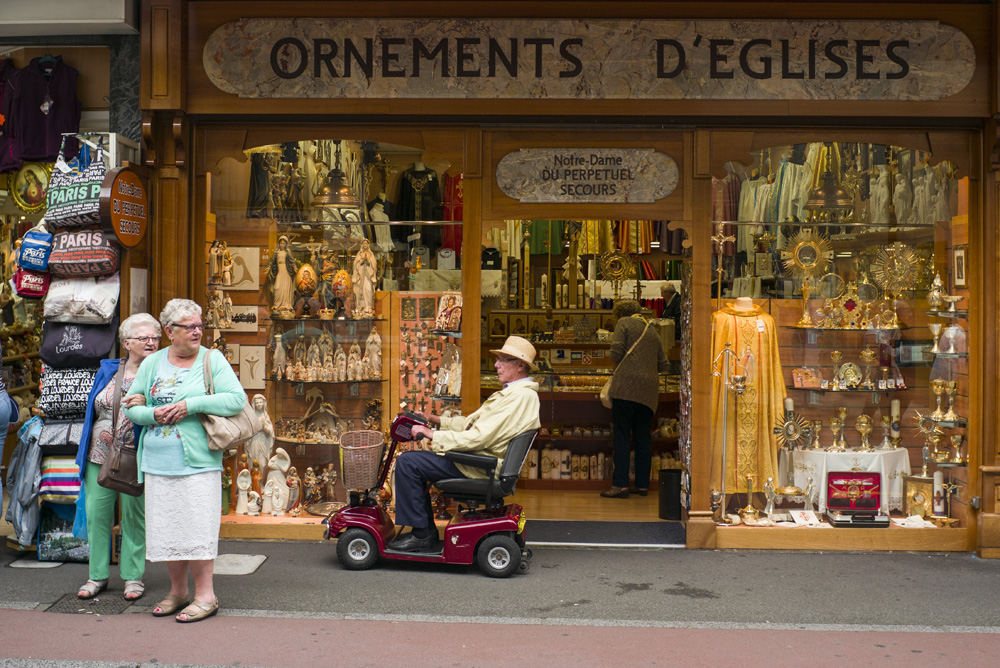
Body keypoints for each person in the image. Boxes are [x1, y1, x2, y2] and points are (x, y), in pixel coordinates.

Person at [123, 299, 247, 623]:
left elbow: (236, 398)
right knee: (168, 530)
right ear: (169, 331)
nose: (197, 331)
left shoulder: (211, 359)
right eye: (189, 327)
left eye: (199, 326)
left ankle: (206, 596)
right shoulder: (152, 364)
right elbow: (131, 406)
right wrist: (152, 413)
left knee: (197, 529)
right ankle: (178, 591)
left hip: (198, 462)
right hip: (157, 462)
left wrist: (190, 405)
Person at [390, 335, 541, 552]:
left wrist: (432, 435)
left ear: (519, 366)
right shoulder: (516, 394)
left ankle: (422, 534)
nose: (496, 365)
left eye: (503, 360)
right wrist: (437, 421)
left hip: (479, 466)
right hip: (480, 461)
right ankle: (424, 531)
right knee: (414, 462)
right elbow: (472, 425)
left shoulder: (519, 398)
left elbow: (479, 437)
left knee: (408, 463)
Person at [74, 313, 161, 601]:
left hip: (136, 454)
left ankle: (133, 577)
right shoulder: (109, 369)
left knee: (134, 516)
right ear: (126, 343)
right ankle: (97, 575)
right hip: (99, 454)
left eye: (155, 337)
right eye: (144, 337)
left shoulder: (161, 372)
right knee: (97, 514)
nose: (151, 342)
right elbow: (95, 407)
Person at [601, 300, 668, 499]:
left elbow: (615, 354)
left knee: (622, 436)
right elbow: (663, 364)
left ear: (620, 313)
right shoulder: (652, 329)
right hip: (648, 393)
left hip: (626, 389)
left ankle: (620, 485)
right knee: (643, 438)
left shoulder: (623, 323)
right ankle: (642, 486)